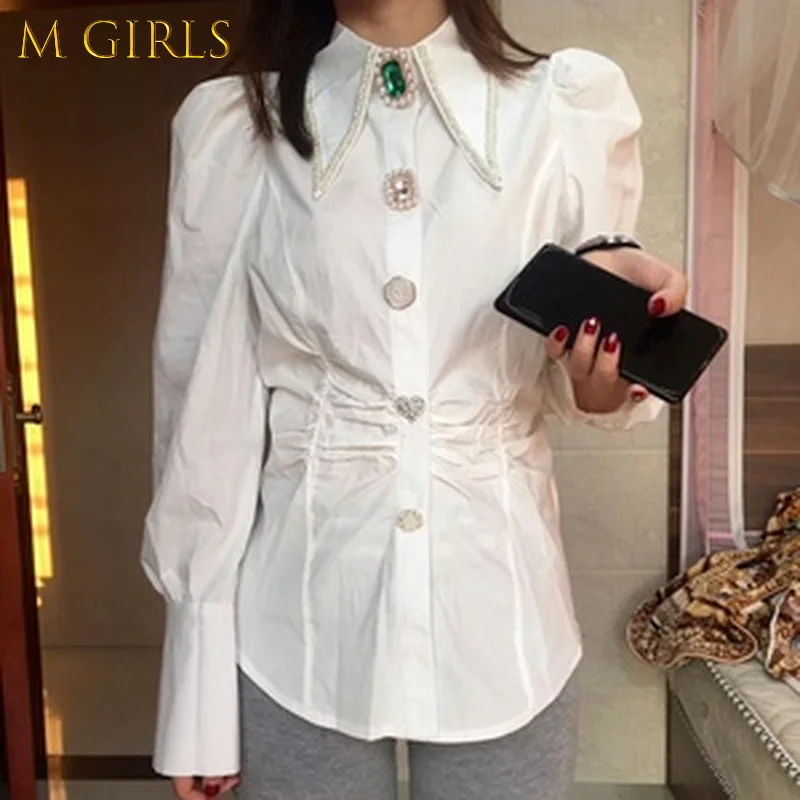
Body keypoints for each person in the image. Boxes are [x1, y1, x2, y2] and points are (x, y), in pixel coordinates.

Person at [141, 0, 688, 798]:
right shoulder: (237, 126)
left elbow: (575, 380)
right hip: (296, 632)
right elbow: (203, 414)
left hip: (505, 627)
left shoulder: (566, 110)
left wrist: (603, 376)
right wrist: (195, 699)